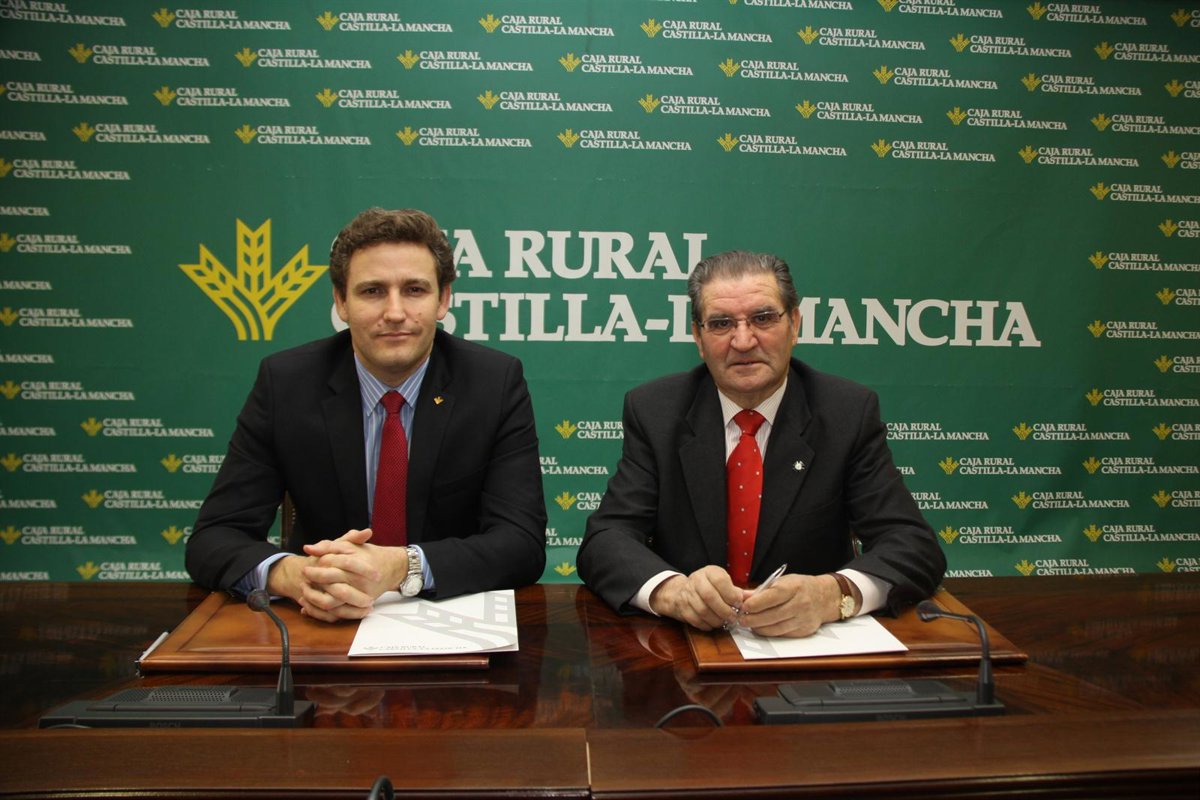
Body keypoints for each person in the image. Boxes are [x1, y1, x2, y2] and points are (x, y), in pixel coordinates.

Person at [186, 208, 547, 622]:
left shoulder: (493, 383)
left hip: (450, 618)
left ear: (443, 299)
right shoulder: (286, 383)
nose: (394, 312)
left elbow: (522, 544)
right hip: (321, 617)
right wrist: (295, 575)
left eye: (414, 290)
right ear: (341, 301)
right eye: (372, 291)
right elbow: (213, 538)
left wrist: (400, 567)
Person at [577, 250, 945, 637]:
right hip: (688, 646)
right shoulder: (656, 411)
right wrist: (673, 592)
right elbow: (606, 540)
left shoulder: (846, 413)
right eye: (721, 324)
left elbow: (913, 545)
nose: (743, 340)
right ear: (698, 338)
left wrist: (833, 595)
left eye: (763, 318)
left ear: (795, 324)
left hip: (810, 647)